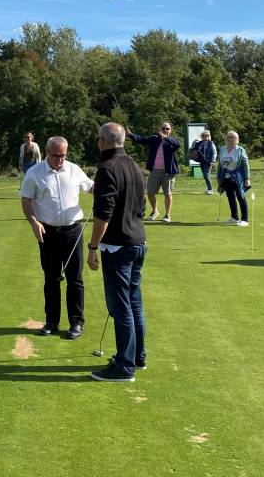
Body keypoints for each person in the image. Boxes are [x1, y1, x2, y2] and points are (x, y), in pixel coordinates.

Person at [86, 123, 147, 382]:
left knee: (121, 306)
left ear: (102, 141)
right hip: (138, 241)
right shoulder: (134, 165)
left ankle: (124, 366)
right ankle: (136, 356)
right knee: (134, 303)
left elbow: (103, 215)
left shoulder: (107, 168)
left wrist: (92, 247)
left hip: (118, 246)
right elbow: (141, 206)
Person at [20, 136, 94, 340]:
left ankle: (76, 323)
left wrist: (106, 186)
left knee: (75, 279)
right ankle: (52, 322)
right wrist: (33, 222)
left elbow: (90, 187)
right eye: (56, 156)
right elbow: (26, 200)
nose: (60, 160)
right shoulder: (35, 173)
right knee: (51, 278)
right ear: (47, 152)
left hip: (73, 231)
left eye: (63, 155)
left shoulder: (74, 169)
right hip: (48, 232)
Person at [127, 122, 180, 222]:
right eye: (163, 128)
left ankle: (167, 215)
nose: (165, 130)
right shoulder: (154, 139)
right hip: (155, 171)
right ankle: (155, 211)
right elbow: (142, 140)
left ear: (170, 130)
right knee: (150, 192)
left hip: (168, 172)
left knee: (167, 194)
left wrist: (166, 138)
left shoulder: (172, 141)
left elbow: (178, 145)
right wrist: (131, 135)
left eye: (167, 129)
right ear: (160, 129)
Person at [217, 130, 251, 226]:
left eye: (231, 137)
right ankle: (234, 217)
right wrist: (218, 177)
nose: (229, 139)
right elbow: (220, 164)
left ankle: (245, 219)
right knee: (230, 197)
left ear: (236, 140)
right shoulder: (222, 149)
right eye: (228, 137)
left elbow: (245, 164)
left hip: (237, 177)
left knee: (241, 196)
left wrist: (247, 178)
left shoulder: (240, 150)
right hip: (226, 176)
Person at [190, 129, 218, 194]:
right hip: (202, 161)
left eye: (206, 136)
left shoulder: (211, 144)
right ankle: (209, 188)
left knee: (206, 175)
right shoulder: (199, 143)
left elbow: (214, 152)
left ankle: (210, 190)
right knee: (205, 175)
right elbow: (193, 147)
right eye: (203, 136)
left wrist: (213, 160)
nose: (204, 137)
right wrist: (194, 142)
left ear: (208, 136)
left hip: (208, 161)